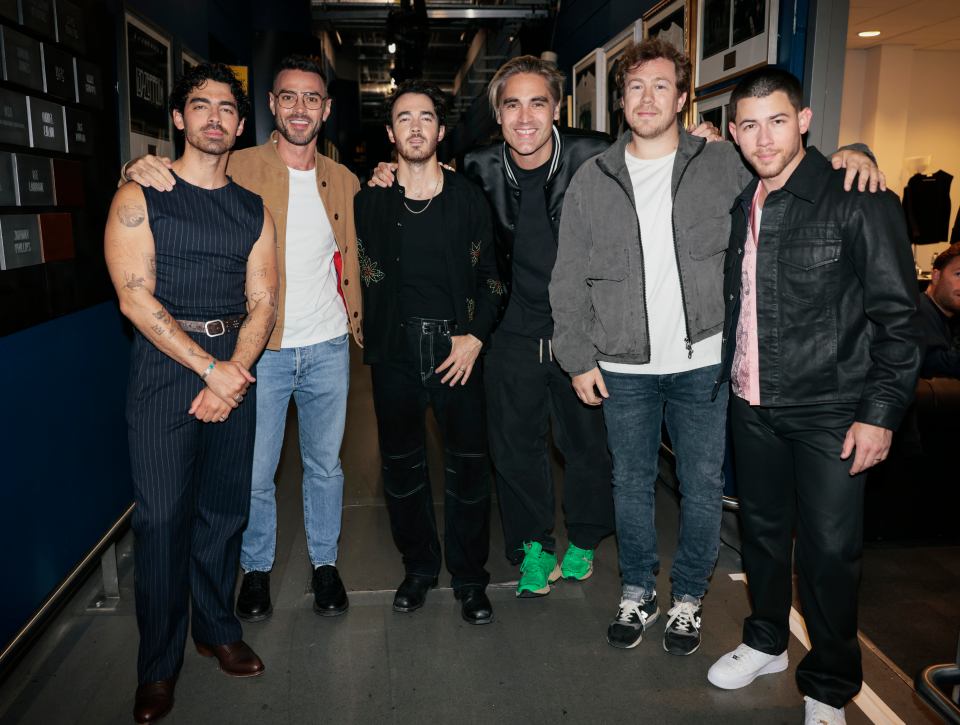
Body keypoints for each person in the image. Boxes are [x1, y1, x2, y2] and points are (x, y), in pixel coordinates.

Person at [549, 38, 883, 658]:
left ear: (682, 98)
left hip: (704, 363)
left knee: (702, 486)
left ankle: (688, 597)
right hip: (621, 367)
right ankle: (639, 589)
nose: (647, 98)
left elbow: (788, 164)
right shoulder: (591, 181)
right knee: (630, 483)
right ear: (620, 100)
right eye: (635, 87)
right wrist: (577, 356)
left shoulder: (724, 162)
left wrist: (852, 152)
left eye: (660, 86)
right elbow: (566, 276)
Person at [706, 67, 919, 725]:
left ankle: (829, 682)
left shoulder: (860, 197)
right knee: (764, 536)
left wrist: (879, 413)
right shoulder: (744, 199)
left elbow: (898, 320)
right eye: (748, 124)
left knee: (829, 552)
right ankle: (767, 638)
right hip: (753, 403)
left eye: (777, 120)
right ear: (733, 133)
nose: (763, 137)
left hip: (832, 409)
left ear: (804, 120)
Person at [122, 55, 362, 621]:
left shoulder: (346, 181)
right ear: (273, 107)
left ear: (325, 110)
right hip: (262, 351)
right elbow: (181, 180)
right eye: (288, 97)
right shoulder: (239, 165)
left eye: (312, 99)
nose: (300, 108)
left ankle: (325, 565)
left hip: (328, 345)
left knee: (325, 467)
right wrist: (135, 167)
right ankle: (256, 571)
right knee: (255, 473)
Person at [374, 55, 617, 599]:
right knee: (514, 447)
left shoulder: (596, 154)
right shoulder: (479, 167)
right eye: (512, 104)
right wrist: (388, 171)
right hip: (509, 330)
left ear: (557, 109)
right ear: (498, 114)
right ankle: (531, 546)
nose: (525, 116)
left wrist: (706, 139)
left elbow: (661, 158)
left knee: (587, 446)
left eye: (537, 102)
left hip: (583, 328)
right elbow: (431, 189)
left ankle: (583, 538)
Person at [105, 63, 278, 723]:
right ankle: (158, 665)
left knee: (224, 509)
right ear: (178, 118)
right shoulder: (140, 194)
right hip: (165, 369)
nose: (214, 117)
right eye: (200, 106)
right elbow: (133, 297)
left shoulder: (250, 208)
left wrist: (232, 368)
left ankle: (215, 626)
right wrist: (210, 369)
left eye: (226, 109)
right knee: (161, 519)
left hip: (234, 364)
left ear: (239, 123)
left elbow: (263, 296)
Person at [355, 81, 502, 624]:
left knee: (468, 471)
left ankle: (468, 577)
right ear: (391, 133)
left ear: (441, 131)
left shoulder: (468, 198)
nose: (415, 126)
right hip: (394, 350)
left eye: (426, 117)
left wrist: (475, 336)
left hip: (455, 348)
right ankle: (418, 568)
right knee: (402, 470)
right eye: (403, 118)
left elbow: (491, 279)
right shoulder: (369, 200)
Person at [917, 242, 960, 378]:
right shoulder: (917, 312)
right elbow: (935, 367)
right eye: (959, 274)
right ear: (936, 276)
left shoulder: (944, 316)